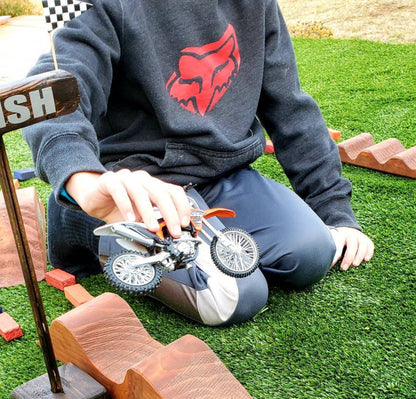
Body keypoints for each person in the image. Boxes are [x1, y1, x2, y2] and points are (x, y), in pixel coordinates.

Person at [23, 0, 374, 326]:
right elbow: (53, 93)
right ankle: (81, 224)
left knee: (313, 253)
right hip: (134, 188)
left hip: (222, 174)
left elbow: (290, 107)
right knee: (234, 297)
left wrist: (335, 211)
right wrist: (86, 184)